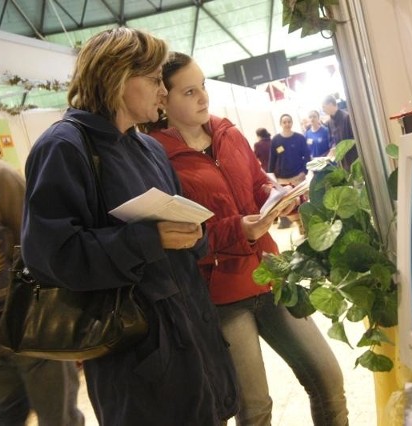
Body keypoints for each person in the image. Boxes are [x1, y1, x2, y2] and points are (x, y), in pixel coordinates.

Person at [20, 29, 238, 425]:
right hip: (133, 354)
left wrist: (194, 234)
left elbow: (178, 230)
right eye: (155, 80)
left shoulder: (148, 146)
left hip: (192, 336)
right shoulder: (64, 147)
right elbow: (50, 257)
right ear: (117, 77)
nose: (162, 91)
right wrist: (145, 239)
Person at [147, 52, 348, 426]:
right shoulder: (158, 157)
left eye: (203, 86)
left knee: (329, 380)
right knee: (255, 409)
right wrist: (238, 228)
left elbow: (256, 184)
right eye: (189, 92)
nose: (203, 98)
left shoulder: (227, 132)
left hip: (271, 274)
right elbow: (181, 232)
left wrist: (279, 198)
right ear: (163, 99)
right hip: (222, 294)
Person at [0, 112, 85, 426]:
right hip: (29, 322)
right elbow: (35, 248)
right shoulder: (0, 175)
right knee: (60, 415)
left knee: (7, 412)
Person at [268, 113, 311, 230]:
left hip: (298, 177)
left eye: (289, 122)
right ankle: (299, 226)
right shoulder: (276, 140)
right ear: (281, 124)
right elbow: (272, 159)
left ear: (292, 123)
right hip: (282, 178)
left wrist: (304, 171)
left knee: (303, 204)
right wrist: (270, 176)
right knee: (289, 207)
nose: (287, 124)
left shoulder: (300, 138)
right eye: (284, 122)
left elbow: (307, 156)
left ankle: (306, 227)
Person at [322, 95, 358, 169]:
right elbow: (331, 140)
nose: (323, 110)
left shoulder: (347, 117)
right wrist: (333, 147)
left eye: (324, 107)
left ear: (331, 104)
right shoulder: (329, 122)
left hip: (352, 158)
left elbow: (354, 139)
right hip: (340, 160)